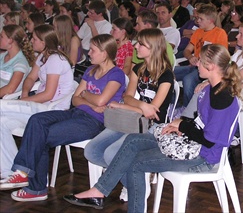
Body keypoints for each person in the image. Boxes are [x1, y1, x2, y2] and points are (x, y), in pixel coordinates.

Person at [63, 43, 241, 212]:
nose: (196, 63)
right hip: (191, 143)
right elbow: (201, 122)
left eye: (200, 61)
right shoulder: (211, 88)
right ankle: (99, 191)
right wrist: (181, 126)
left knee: (135, 163)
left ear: (211, 66)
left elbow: (210, 140)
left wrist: (183, 126)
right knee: (133, 140)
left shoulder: (222, 97)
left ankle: (103, 194)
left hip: (202, 157)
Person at [0, 34, 126, 202]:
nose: (89, 53)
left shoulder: (116, 74)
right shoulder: (91, 70)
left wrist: (86, 95)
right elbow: (75, 98)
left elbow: (101, 100)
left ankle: (34, 187)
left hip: (94, 122)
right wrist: (90, 101)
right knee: (37, 120)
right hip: (76, 113)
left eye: (93, 50)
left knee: (41, 136)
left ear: (104, 53)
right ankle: (24, 174)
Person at [84, 28, 174, 201]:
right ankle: (134, 179)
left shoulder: (166, 75)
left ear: (153, 47)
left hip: (153, 127)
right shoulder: (138, 68)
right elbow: (127, 97)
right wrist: (139, 106)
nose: (136, 47)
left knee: (111, 153)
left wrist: (130, 106)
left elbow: (153, 112)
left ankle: (133, 184)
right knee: (92, 150)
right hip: (132, 119)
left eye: (141, 44)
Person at [0, 25, 75, 179]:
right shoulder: (42, 56)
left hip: (51, 110)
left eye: (34, 39)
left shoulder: (55, 60)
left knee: (2, 106)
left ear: (44, 42)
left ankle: (22, 172)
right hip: (37, 106)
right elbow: (30, 78)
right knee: (2, 122)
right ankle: (14, 172)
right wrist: (25, 92)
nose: (31, 41)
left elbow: (48, 94)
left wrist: (24, 101)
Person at [174, 4, 228, 107]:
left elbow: (221, 58)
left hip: (207, 69)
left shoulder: (220, 33)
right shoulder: (198, 32)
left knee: (188, 80)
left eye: (201, 19)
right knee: (167, 73)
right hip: (194, 65)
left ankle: (188, 110)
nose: (197, 21)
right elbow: (187, 50)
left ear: (210, 20)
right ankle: (171, 103)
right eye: (197, 18)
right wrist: (190, 57)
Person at [0, 25, 35, 98]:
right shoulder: (3, 56)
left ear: (10, 40)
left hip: (5, 102)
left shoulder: (20, 63)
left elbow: (10, 89)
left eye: (1, 37)